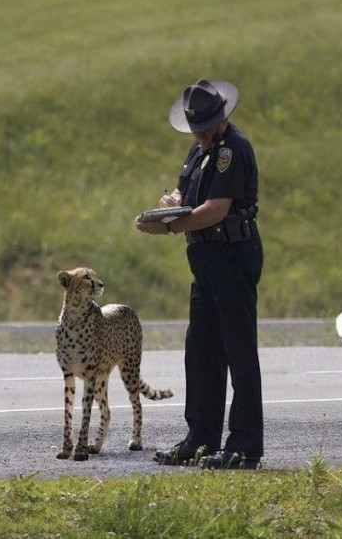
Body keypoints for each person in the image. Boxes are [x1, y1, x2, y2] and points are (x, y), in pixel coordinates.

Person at [134, 79, 264, 470]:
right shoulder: (199, 150)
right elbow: (186, 197)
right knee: (201, 351)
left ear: (221, 118)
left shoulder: (231, 150)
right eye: (197, 128)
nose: (202, 134)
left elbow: (216, 208)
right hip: (205, 258)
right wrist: (172, 205)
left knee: (238, 351)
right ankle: (200, 438)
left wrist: (171, 226)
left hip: (232, 254)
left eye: (206, 126)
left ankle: (244, 445)